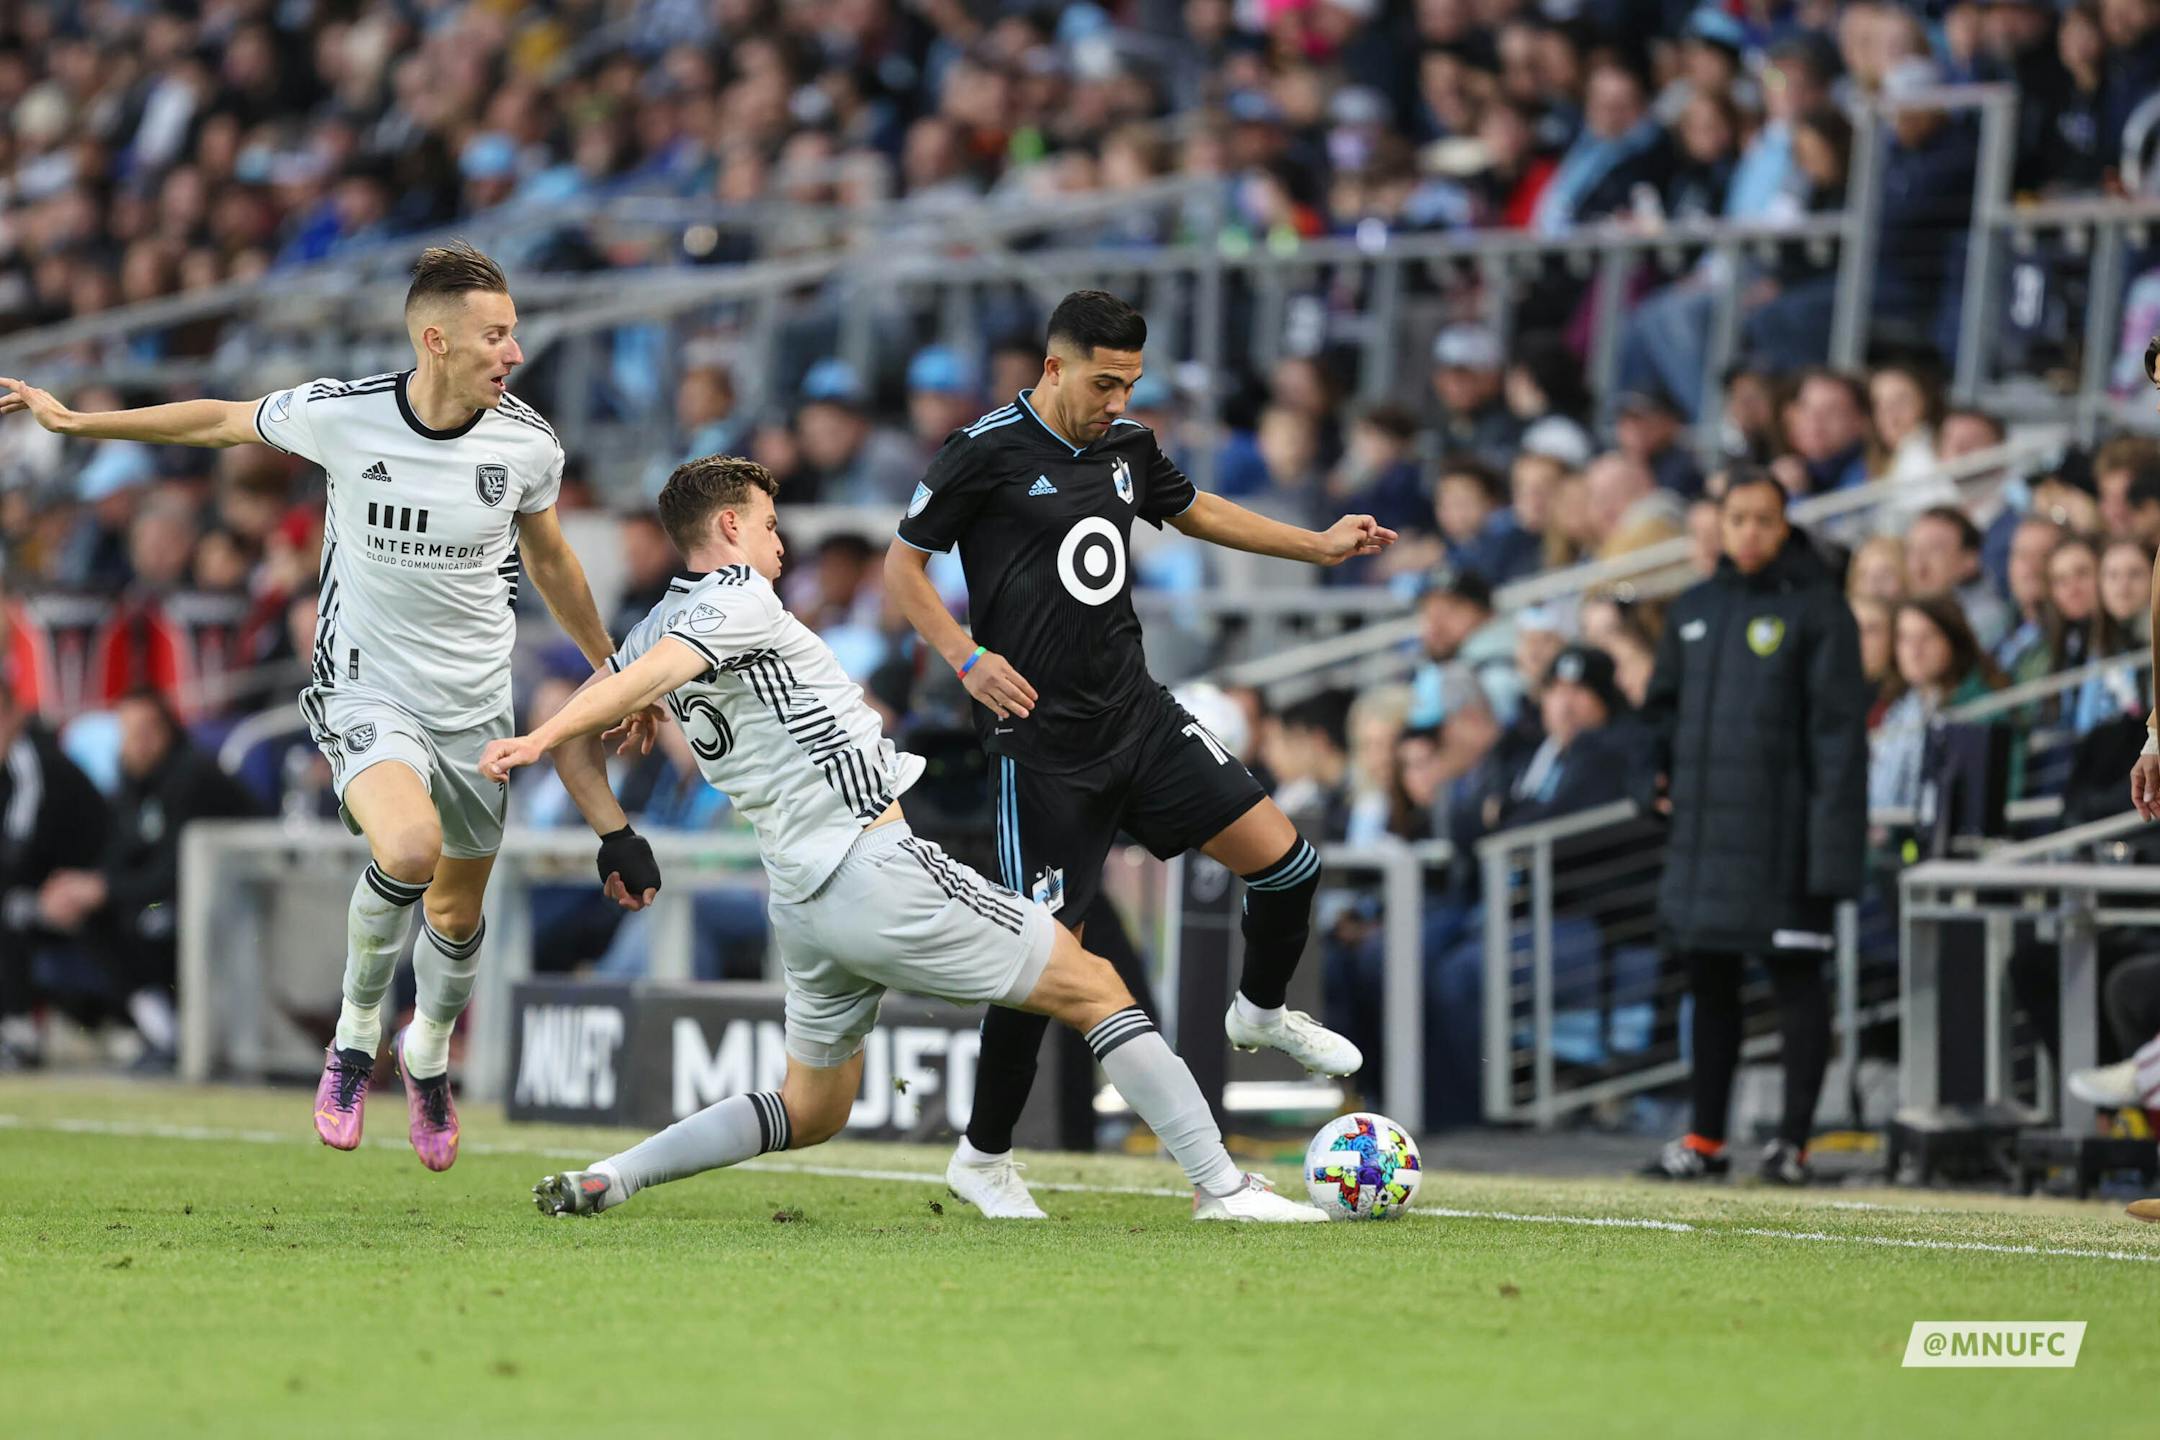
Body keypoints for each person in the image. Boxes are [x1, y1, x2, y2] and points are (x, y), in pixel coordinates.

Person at [485, 455, 1322, 1223]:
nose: (782, 543)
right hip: (868, 864)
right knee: (1098, 984)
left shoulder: (646, 629)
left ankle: (614, 1176)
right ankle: (1223, 1187)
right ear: (731, 528)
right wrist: (537, 737)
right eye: (772, 524)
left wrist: (615, 833)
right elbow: (629, 694)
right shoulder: (735, 598)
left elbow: (588, 732)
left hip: (802, 901)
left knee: (813, 1109)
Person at [0, 243, 641, 1168]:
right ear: (436, 339)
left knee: (458, 916)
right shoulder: (345, 416)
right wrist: (78, 423)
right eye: (495, 334)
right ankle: (352, 1040)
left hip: (474, 708)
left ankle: (424, 1057)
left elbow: (549, 560)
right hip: (365, 687)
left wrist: (610, 667)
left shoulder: (527, 443)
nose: (514, 350)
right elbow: (219, 421)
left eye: (514, 332)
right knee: (409, 849)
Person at [883, 291, 1391, 1219]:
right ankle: (983, 1157)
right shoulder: (984, 451)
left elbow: (1197, 513)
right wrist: (966, 657)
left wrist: (1315, 548)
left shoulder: (1129, 449)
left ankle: (1261, 1013)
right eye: (1104, 381)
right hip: (1041, 749)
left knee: (1288, 865)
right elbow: (902, 567)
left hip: (1139, 719)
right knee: (1041, 965)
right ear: (1054, 367)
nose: (1118, 399)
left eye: (1131, 383)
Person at [1638, 472, 1869, 1185]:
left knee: (1797, 985)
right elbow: (1660, 712)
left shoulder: (1819, 610)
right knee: (1709, 982)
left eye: (1763, 520)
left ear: (1783, 525)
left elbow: (1839, 740)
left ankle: (1791, 1146)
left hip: (1783, 844)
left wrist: (1831, 856)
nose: (1748, 533)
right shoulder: (1695, 608)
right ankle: (1706, 1140)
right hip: (1705, 841)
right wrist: (1647, 779)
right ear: (1719, 525)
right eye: (1736, 519)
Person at [0, 671, 110, 1069]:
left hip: (87, 891)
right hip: (47, 888)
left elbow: (16, 853)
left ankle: (17, 1033)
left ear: (15, 714)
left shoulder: (31, 761)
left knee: (8, 909)